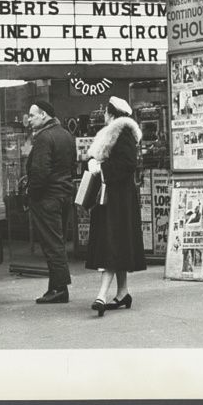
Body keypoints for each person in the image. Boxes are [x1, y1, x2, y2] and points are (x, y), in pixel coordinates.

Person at [85, 96, 147, 317]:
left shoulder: (121, 133)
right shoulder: (121, 133)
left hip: (116, 200)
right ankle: (123, 292)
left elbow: (127, 164)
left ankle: (101, 295)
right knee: (117, 244)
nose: (103, 115)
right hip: (116, 199)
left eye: (105, 111)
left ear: (111, 113)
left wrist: (100, 168)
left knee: (110, 244)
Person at [26, 100, 76, 304]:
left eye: (32, 115)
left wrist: (32, 195)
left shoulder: (44, 138)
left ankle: (59, 288)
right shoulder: (65, 134)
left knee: (52, 244)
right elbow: (71, 164)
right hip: (64, 194)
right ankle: (56, 286)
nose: (28, 119)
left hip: (47, 198)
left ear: (44, 115)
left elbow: (40, 171)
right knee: (58, 241)